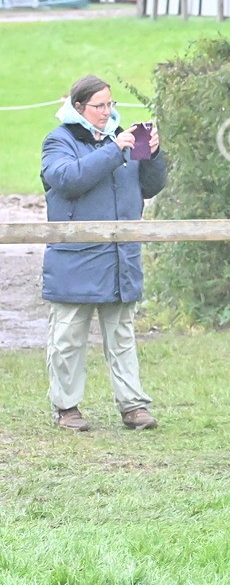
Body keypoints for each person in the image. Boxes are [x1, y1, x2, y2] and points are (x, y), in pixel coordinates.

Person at [41, 75, 167, 431]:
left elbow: (150, 186)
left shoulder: (120, 139)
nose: (107, 111)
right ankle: (67, 409)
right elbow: (68, 179)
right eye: (100, 105)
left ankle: (134, 407)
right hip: (75, 260)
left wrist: (153, 155)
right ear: (78, 107)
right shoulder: (58, 141)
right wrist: (116, 151)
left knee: (123, 338)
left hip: (119, 259)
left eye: (111, 104)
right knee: (67, 340)